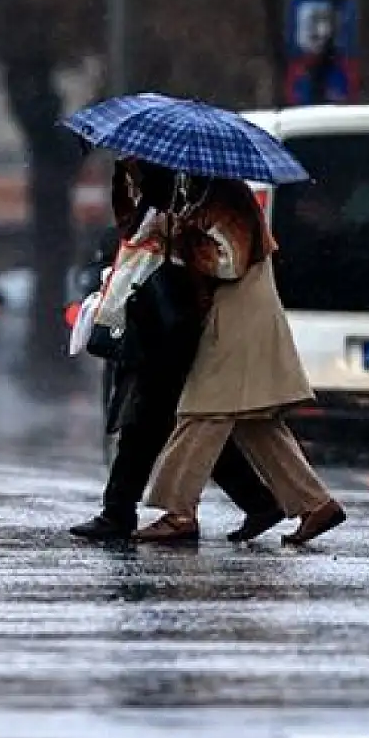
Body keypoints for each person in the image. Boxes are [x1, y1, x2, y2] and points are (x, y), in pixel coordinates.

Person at [70, 159, 285, 543]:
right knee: (167, 423)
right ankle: (255, 501)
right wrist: (126, 182)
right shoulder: (164, 199)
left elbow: (227, 261)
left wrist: (182, 238)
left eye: (140, 167)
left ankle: (122, 511)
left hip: (172, 325)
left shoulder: (211, 198)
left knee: (150, 421)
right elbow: (129, 233)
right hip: (146, 320)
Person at [135, 173, 346, 545]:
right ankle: (316, 504)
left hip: (239, 319)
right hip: (238, 315)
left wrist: (178, 237)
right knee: (255, 420)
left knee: (202, 411)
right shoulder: (210, 198)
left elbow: (229, 265)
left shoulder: (228, 200)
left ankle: (178, 512)